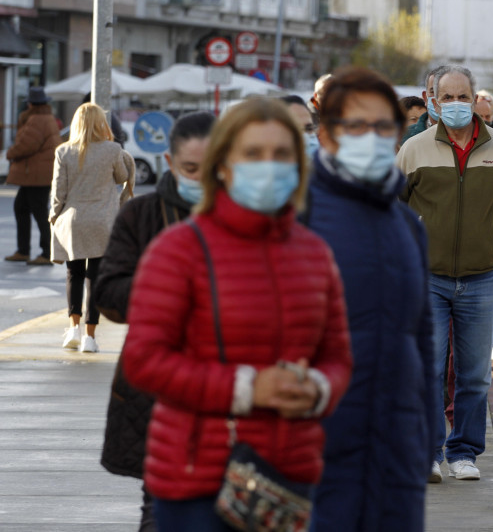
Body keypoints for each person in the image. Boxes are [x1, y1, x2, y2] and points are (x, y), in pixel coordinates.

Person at [120, 97, 353, 530]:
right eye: (253, 153)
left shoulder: (315, 253)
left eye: (282, 154)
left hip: (290, 479)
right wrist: (249, 388)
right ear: (223, 165)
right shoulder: (178, 250)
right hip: (199, 483)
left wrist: (317, 387)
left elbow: (338, 356)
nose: (269, 166)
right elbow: (143, 359)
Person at [303, 66, 435, 532]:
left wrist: (427, 436)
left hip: (396, 443)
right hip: (314, 445)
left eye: (383, 126)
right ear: (327, 134)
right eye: (355, 125)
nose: (371, 137)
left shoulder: (405, 225)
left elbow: (420, 336)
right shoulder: (294, 214)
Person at [397, 65, 493, 482]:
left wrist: (483, 239)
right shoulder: (413, 149)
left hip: (482, 275)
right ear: (431, 100)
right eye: (446, 97)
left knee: (473, 373)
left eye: (462, 96)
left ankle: (464, 452)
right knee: (428, 369)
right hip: (426, 277)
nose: (455, 104)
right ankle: (428, 452)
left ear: (474, 98)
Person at [93, 111, 214, 532]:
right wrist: (166, 292)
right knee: (161, 512)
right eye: (191, 169)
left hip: (233, 394)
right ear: (168, 161)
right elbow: (107, 294)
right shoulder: (141, 216)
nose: (203, 179)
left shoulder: (252, 219)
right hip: (157, 392)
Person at [50, 102, 135, 353]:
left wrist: (54, 216)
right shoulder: (112, 149)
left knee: (73, 274)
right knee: (94, 277)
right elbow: (121, 177)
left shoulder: (64, 151)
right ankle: (90, 336)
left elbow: (59, 191)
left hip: (74, 221)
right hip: (102, 220)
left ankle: (73, 329)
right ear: (102, 123)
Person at [4, 86, 62, 266]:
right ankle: (24, 251)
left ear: (30, 104)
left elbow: (27, 145)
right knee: (22, 208)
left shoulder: (36, 119)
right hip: (37, 173)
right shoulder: (46, 117)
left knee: (37, 212)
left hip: (36, 174)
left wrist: (10, 153)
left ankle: (46, 252)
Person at [401, 65, 448, 145]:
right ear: (425, 97)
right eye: (433, 92)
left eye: (446, 93)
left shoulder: (470, 136)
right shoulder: (404, 139)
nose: (439, 98)